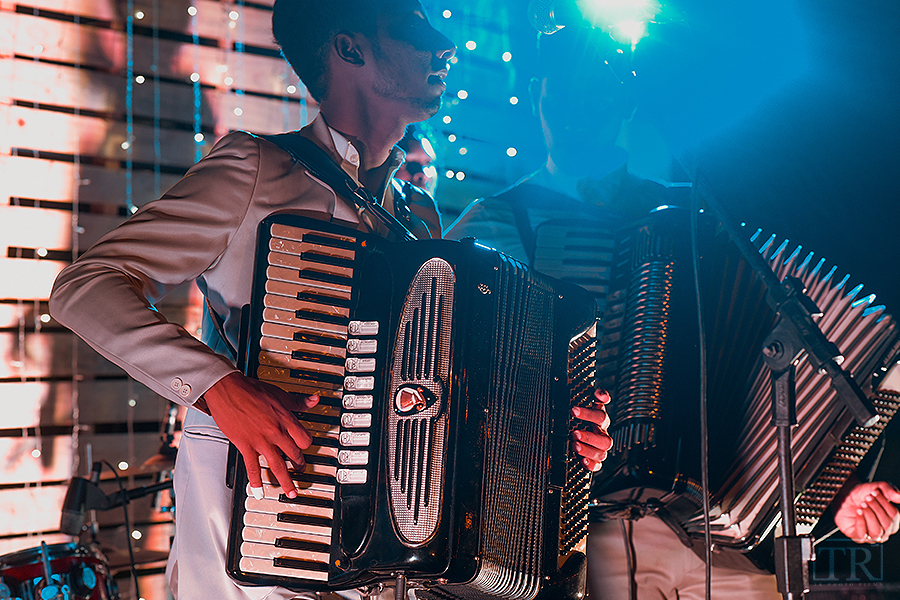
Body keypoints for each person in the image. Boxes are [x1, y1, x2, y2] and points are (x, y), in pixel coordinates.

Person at [49, 2, 611, 599]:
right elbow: (85, 287)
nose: (444, 45)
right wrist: (218, 387)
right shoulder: (256, 169)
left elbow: (447, 398)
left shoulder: (418, 218)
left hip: (379, 544)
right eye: (416, 30)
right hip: (253, 507)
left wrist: (552, 435)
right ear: (349, 49)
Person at [445, 25, 900, 600]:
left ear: (628, 98)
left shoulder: (697, 217)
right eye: (563, 90)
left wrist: (836, 492)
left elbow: (758, 367)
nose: (578, 106)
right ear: (539, 94)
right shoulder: (493, 224)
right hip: (574, 530)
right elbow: (451, 385)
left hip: (718, 525)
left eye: (598, 89)